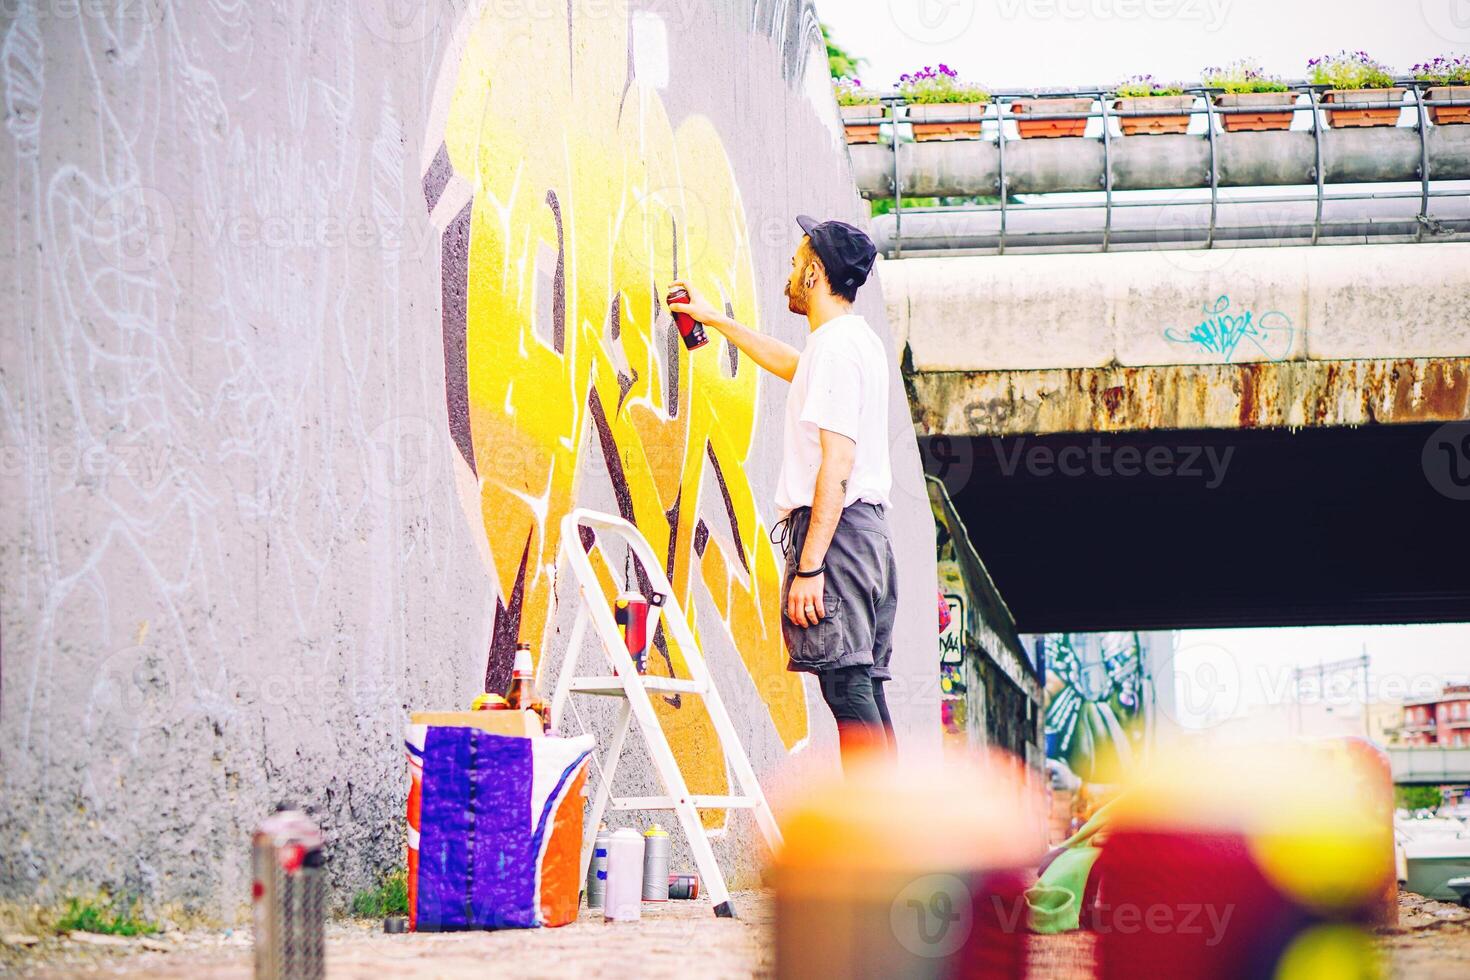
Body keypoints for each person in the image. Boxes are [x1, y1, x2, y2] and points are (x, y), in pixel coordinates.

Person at [668, 214, 896, 765]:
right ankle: (898, 835)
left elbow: (837, 462)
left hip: (838, 538)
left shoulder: (837, 350)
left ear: (815, 274)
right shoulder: (847, 343)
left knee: (846, 688)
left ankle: (879, 842)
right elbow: (791, 364)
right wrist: (715, 321)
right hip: (866, 537)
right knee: (862, 686)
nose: (790, 273)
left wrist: (811, 566)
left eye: (797, 264)